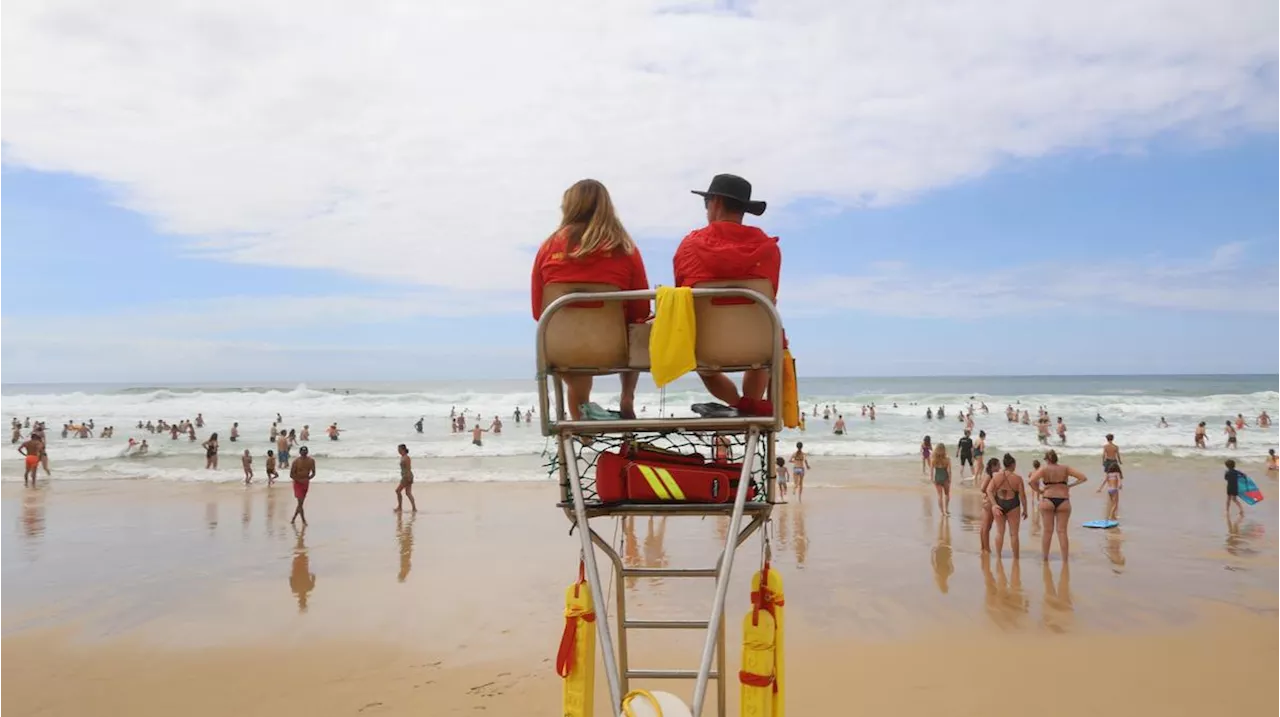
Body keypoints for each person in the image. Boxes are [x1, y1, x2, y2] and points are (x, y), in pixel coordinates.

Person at [530, 178, 649, 421]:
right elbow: (641, 309)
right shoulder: (625, 248)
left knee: (575, 347)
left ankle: (582, 413)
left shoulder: (548, 247)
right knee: (639, 326)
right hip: (612, 348)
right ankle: (627, 395)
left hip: (561, 350)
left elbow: (538, 311)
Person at [674, 174, 780, 417]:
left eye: (707, 203)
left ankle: (738, 404)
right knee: (763, 339)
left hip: (705, 345)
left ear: (716, 203)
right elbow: (771, 299)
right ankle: (749, 406)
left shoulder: (689, 246)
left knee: (702, 362)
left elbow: (681, 295)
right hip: (758, 345)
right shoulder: (768, 249)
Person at [1028, 450, 1088, 561]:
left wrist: (1040, 491)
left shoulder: (1044, 469)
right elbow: (1083, 478)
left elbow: (1031, 481)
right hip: (1063, 500)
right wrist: (1069, 485)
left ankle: (1045, 558)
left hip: (1048, 499)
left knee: (1047, 531)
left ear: (1047, 459)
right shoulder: (1065, 468)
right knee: (1062, 532)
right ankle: (1065, 559)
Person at [988, 454, 1027, 559]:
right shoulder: (1018, 478)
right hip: (1013, 504)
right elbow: (1022, 496)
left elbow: (989, 490)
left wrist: (994, 505)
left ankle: (998, 556)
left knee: (1000, 532)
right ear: (1012, 464)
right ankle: (1016, 557)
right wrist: (1025, 509)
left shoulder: (996, 476)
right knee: (1014, 534)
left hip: (999, 503)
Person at [978, 457, 1000, 553]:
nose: (1000, 467)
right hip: (990, 502)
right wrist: (991, 493)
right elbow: (982, 488)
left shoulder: (989, 475)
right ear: (993, 466)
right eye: (998, 465)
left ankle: (983, 547)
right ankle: (987, 549)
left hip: (987, 501)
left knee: (984, 526)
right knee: (987, 527)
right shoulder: (990, 476)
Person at [290, 445, 316, 525]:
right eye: (302, 452)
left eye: (305, 451)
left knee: (300, 503)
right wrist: (299, 480)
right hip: (298, 483)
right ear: (300, 452)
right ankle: (303, 520)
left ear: (307, 452)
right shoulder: (296, 461)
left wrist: (308, 478)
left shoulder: (311, 461)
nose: (304, 453)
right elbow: (291, 475)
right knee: (300, 502)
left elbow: (313, 472)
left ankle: (294, 518)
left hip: (306, 483)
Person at [930, 441, 953, 516]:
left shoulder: (933, 459)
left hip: (937, 478)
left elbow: (931, 471)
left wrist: (932, 479)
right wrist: (950, 479)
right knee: (947, 495)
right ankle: (946, 509)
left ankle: (942, 512)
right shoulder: (947, 459)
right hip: (945, 478)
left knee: (940, 496)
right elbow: (949, 471)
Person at [395, 444, 417, 513]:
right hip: (406, 476)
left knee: (398, 491)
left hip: (407, 476)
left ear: (403, 449)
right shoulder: (402, 457)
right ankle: (414, 508)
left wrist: (407, 478)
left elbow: (408, 468)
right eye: (398, 449)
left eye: (399, 449)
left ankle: (400, 507)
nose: (398, 451)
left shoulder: (406, 458)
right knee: (408, 493)